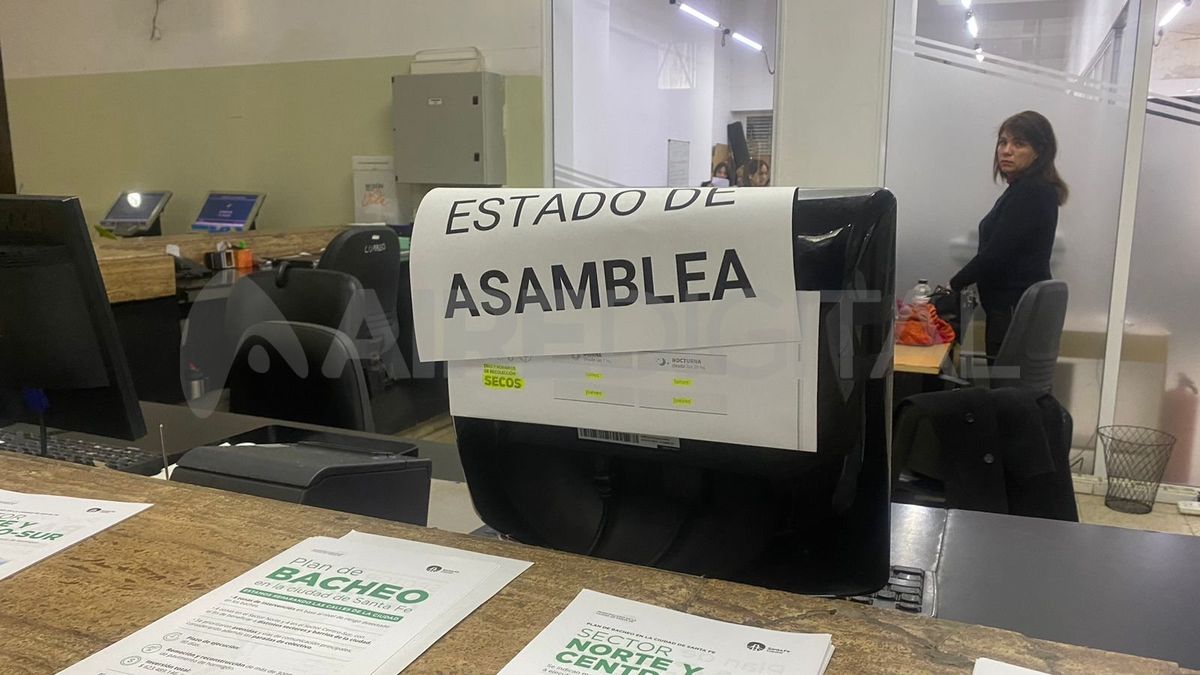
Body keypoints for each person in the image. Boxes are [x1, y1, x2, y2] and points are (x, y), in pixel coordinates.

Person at [950, 110, 1069, 359]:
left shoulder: (1031, 192)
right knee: (1009, 390)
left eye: (1019, 143)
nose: (1006, 150)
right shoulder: (1024, 190)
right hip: (1014, 309)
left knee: (1007, 392)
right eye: (1003, 142)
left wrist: (954, 285)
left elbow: (996, 253)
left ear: (1039, 151)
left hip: (1015, 311)